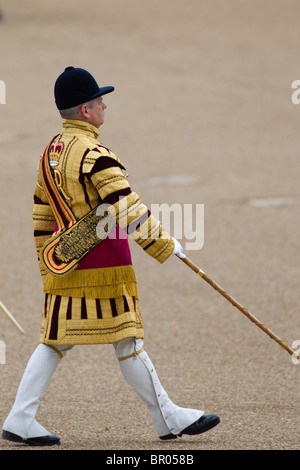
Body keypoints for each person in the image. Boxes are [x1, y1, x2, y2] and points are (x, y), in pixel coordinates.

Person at [2, 67, 220, 446]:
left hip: (64, 261)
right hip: (103, 264)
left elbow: (41, 214)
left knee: (55, 339)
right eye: (100, 100)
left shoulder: (50, 152)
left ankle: (20, 419)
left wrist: (45, 265)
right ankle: (167, 417)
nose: (105, 105)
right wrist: (167, 245)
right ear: (85, 110)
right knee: (128, 338)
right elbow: (127, 207)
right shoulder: (95, 153)